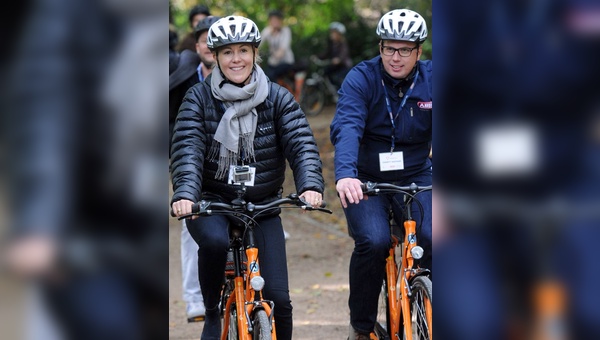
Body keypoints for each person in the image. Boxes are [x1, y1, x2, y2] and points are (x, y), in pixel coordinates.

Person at [170, 15, 324, 340]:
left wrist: (310, 185)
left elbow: (301, 144)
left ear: (256, 53)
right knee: (214, 242)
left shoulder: (277, 98)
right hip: (213, 201)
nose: (236, 59)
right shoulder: (198, 98)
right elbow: (187, 149)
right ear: (215, 56)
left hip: (263, 205)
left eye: (243, 50)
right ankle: (212, 312)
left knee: (279, 299)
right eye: (227, 52)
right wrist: (185, 193)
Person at [329, 9, 432, 339]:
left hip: (417, 174)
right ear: (380, 47)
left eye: (404, 49)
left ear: (418, 51)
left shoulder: (434, 79)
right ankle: (361, 326)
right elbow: (347, 126)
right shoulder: (361, 77)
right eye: (389, 48)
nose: (396, 57)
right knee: (373, 243)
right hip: (365, 178)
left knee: (437, 235)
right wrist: (345, 174)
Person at [315, 21, 353, 90]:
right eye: (331, 32)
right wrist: (317, 57)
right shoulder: (332, 44)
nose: (332, 34)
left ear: (339, 34)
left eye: (334, 33)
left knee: (336, 78)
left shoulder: (342, 44)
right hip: (335, 66)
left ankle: (342, 94)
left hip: (344, 66)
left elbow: (343, 53)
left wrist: (339, 59)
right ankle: (329, 92)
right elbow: (326, 53)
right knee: (324, 73)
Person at [260, 10, 295, 83]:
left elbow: (283, 49)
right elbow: (258, 42)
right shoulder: (267, 31)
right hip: (273, 62)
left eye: (277, 20)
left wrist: (276, 54)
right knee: (262, 76)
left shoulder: (286, 31)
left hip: (285, 62)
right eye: (273, 20)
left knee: (271, 75)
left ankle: (276, 93)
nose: (275, 22)